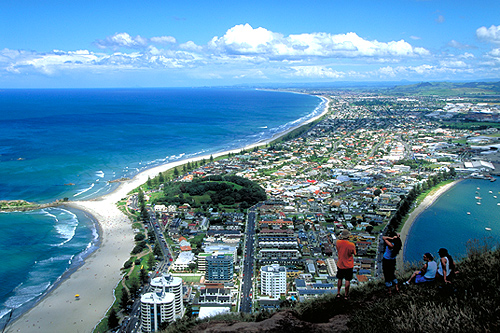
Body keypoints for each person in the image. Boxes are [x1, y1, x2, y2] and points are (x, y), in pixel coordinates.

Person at [336, 229, 356, 299]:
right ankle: (346, 295)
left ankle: (338, 293)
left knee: (340, 279)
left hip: (340, 264)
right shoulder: (351, 245)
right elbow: (354, 253)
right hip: (349, 265)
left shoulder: (338, 242)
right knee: (347, 280)